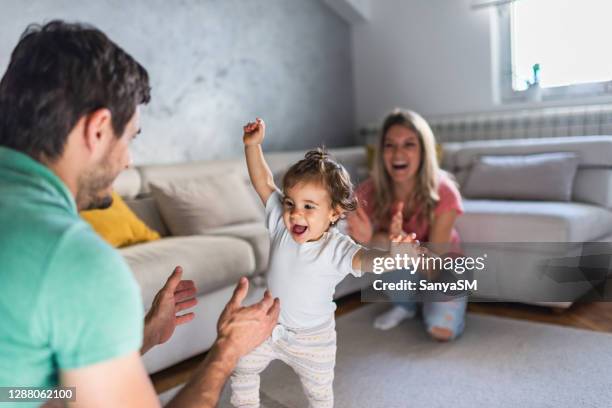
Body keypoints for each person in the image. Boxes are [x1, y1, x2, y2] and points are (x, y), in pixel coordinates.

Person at [0, 21, 279, 408]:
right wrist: (227, 352)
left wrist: (144, 337)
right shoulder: (74, 262)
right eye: (130, 137)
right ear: (98, 129)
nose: (129, 162)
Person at [231, 118, 416, 407]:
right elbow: (264, 182)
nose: (295, 214)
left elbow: (365, 260)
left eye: (308, 206)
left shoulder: (337, 248)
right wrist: (253, 146)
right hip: (270, 327)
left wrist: (393, 258)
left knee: (319, 394)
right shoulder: (280, 224)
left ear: (334, 213)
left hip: (314, 340)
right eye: (290, 203)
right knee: (242, 365)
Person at [347, 108, 467, 342]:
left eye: (409, 144)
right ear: (381, 152)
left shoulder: (445, 191)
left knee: (441, 331)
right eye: (389, 145)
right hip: (404, 269)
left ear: (423, 151)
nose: (397, 153)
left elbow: (437, 266)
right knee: (383, 247)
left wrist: (405, 247)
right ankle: (406, 305)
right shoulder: (368, 192)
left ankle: (437, 304)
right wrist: (373, 240)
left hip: (441, 268)